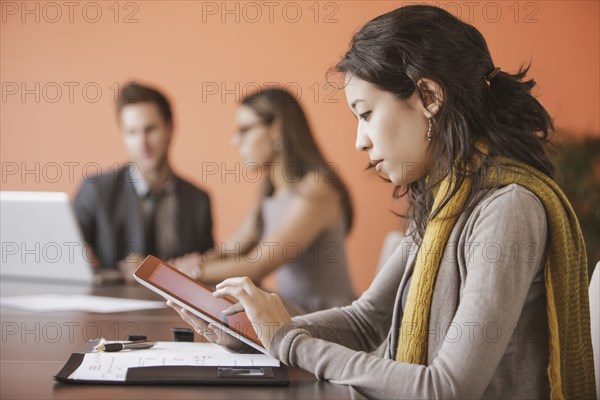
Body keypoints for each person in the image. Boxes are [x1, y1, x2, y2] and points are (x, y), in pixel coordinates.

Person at [168, 5, 596, 399]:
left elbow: (446, 389)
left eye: (366, 113)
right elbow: (366, 319)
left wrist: (287, 341)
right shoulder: (443, 200)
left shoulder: (508, 210)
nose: (359, 140)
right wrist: (253, 332)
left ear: (428, 98)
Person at [171, 88, 355, 313]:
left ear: (277, 128)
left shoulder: (317, 189)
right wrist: (190, 263)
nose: (235, 141)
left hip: (329, 323)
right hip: (293, 316)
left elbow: (256, 265)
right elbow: (231, 249)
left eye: (245, 130)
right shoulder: (271, 190)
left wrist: (184, 273)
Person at [74, 82, 214, 282]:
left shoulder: (198, 200)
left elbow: (206, 267)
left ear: (170, 128)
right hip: (111, 308)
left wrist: (153, 271)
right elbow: (65, 248)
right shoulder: (96, 190)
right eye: (132, 132)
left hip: (176, 311)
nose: (142, 143)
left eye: (150, 129)